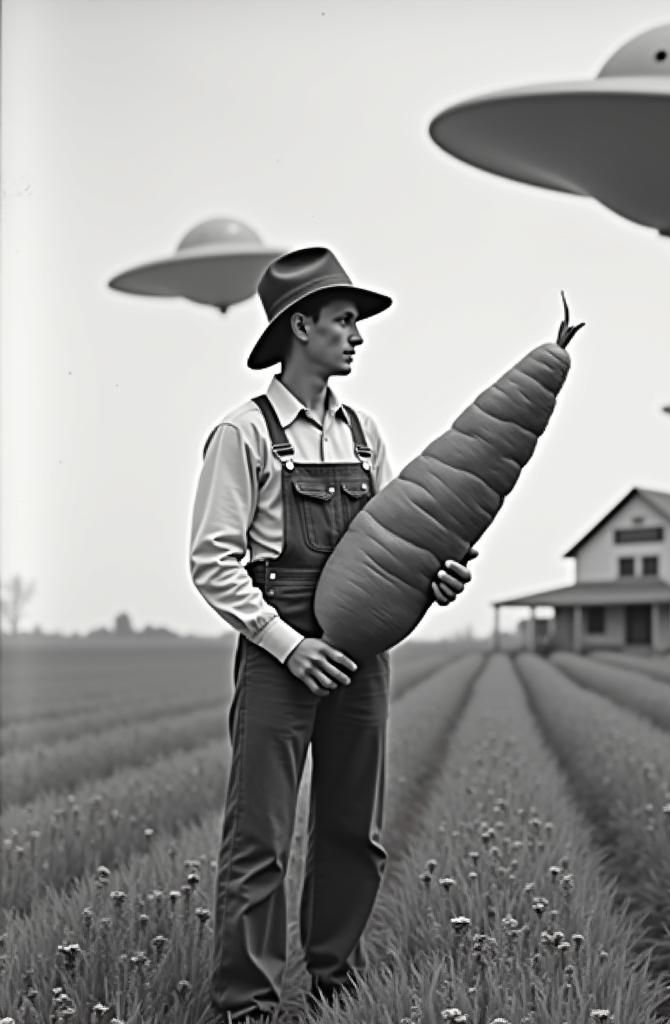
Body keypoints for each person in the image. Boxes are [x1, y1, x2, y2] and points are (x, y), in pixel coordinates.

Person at [189, 246, 476, 1023]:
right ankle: (246, 1005)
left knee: (355, 831)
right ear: (299, 326)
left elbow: (389, 547)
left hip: (359, 657)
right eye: (345, 320)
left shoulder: (364, 431)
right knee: (261, 840)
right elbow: (213, 563)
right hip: (281, 655)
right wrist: (288, 644)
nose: (357, 335)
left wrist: (433, 582)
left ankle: (333, 989)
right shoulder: (242, 434)